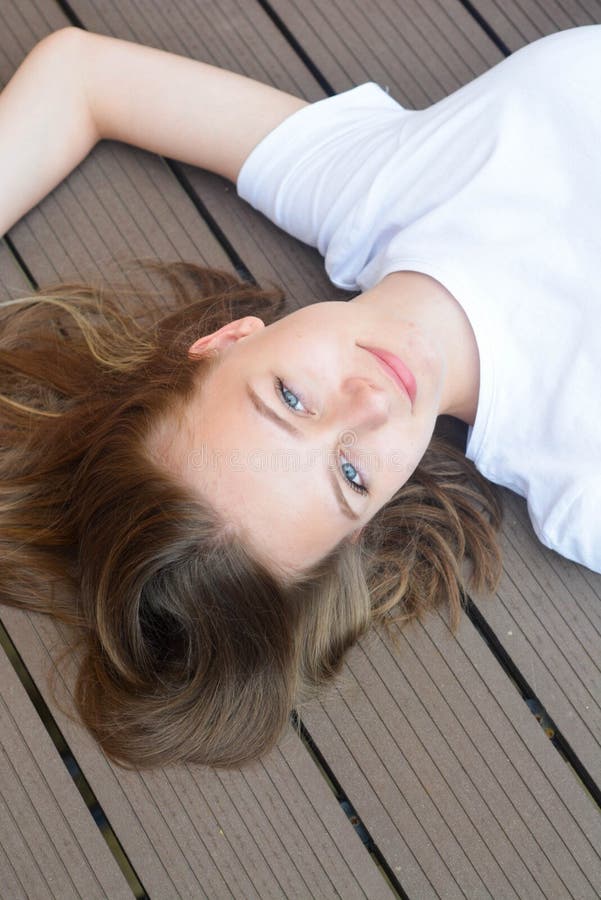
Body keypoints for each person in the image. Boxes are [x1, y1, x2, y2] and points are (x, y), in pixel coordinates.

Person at [0, 24, 598, 768]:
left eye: (289, 400)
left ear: (229, 338)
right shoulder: (581, 485)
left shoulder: (364, 187)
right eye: (349, 476)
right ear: (366, 522)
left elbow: (82, 79)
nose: (369, 403)